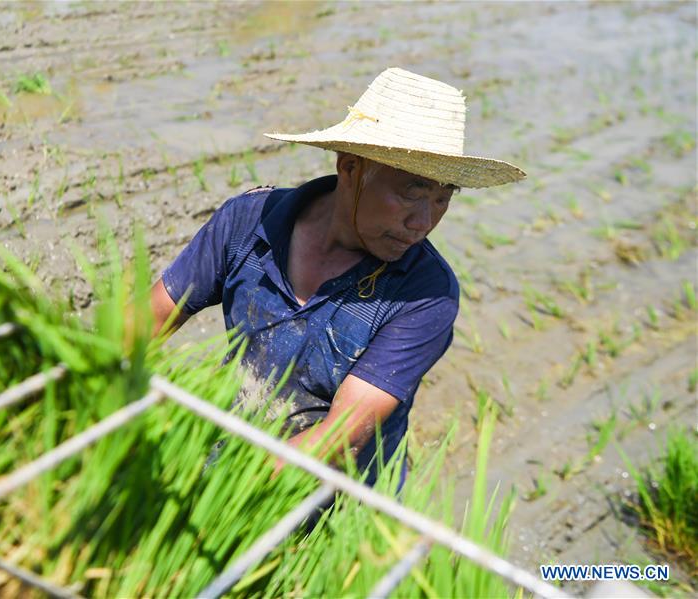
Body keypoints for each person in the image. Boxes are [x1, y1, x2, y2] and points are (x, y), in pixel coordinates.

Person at [149, 67, 525, 487]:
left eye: (441, 199)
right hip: (234, 448)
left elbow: (339, 439)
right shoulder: (249, 221)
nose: (423, 222)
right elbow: (150, 319)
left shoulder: (426, 294)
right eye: (411, 192)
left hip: (334, 503)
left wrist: (220, 492)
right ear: (351, 168)